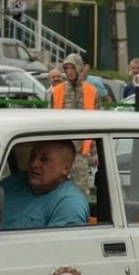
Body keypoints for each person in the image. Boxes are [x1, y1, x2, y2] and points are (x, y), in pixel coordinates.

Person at [0, 140, 89, 231]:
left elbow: (57, 244)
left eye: (44, 159)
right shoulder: (14, 182)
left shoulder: (70, 204)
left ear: (65, 169)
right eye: (33, 156)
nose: (34, 164)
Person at [50, 53, 98, 195]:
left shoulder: (91, 91)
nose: (70, 72)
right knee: (57, 189)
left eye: (73, 68)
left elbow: (97, 122)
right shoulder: (57, 91)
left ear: (79, 69)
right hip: (60, 149)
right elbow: (49, 120)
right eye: (67, 68)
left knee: (80, 191)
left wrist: (95, 151)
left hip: (81, 152)